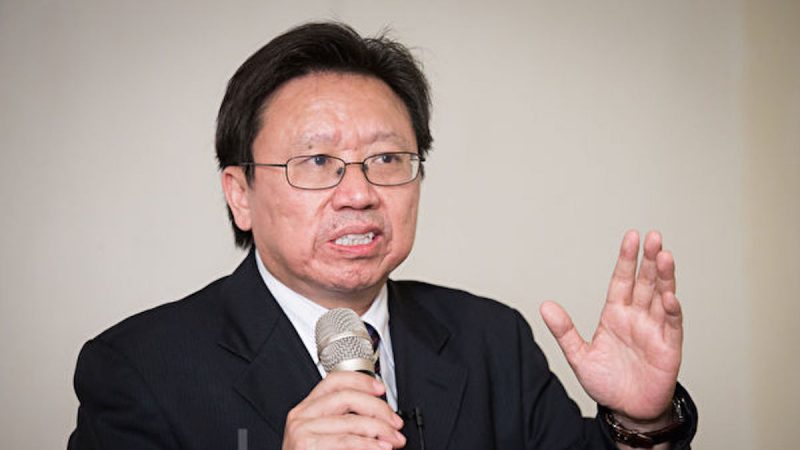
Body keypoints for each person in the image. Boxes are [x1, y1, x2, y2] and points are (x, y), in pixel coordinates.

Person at [68, 22, 697, 450]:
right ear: (240, 194)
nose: (359, 193)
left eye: (388, 159)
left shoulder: (491, 340)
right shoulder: (139, 368)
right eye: (317, 161)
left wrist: (640, 420)